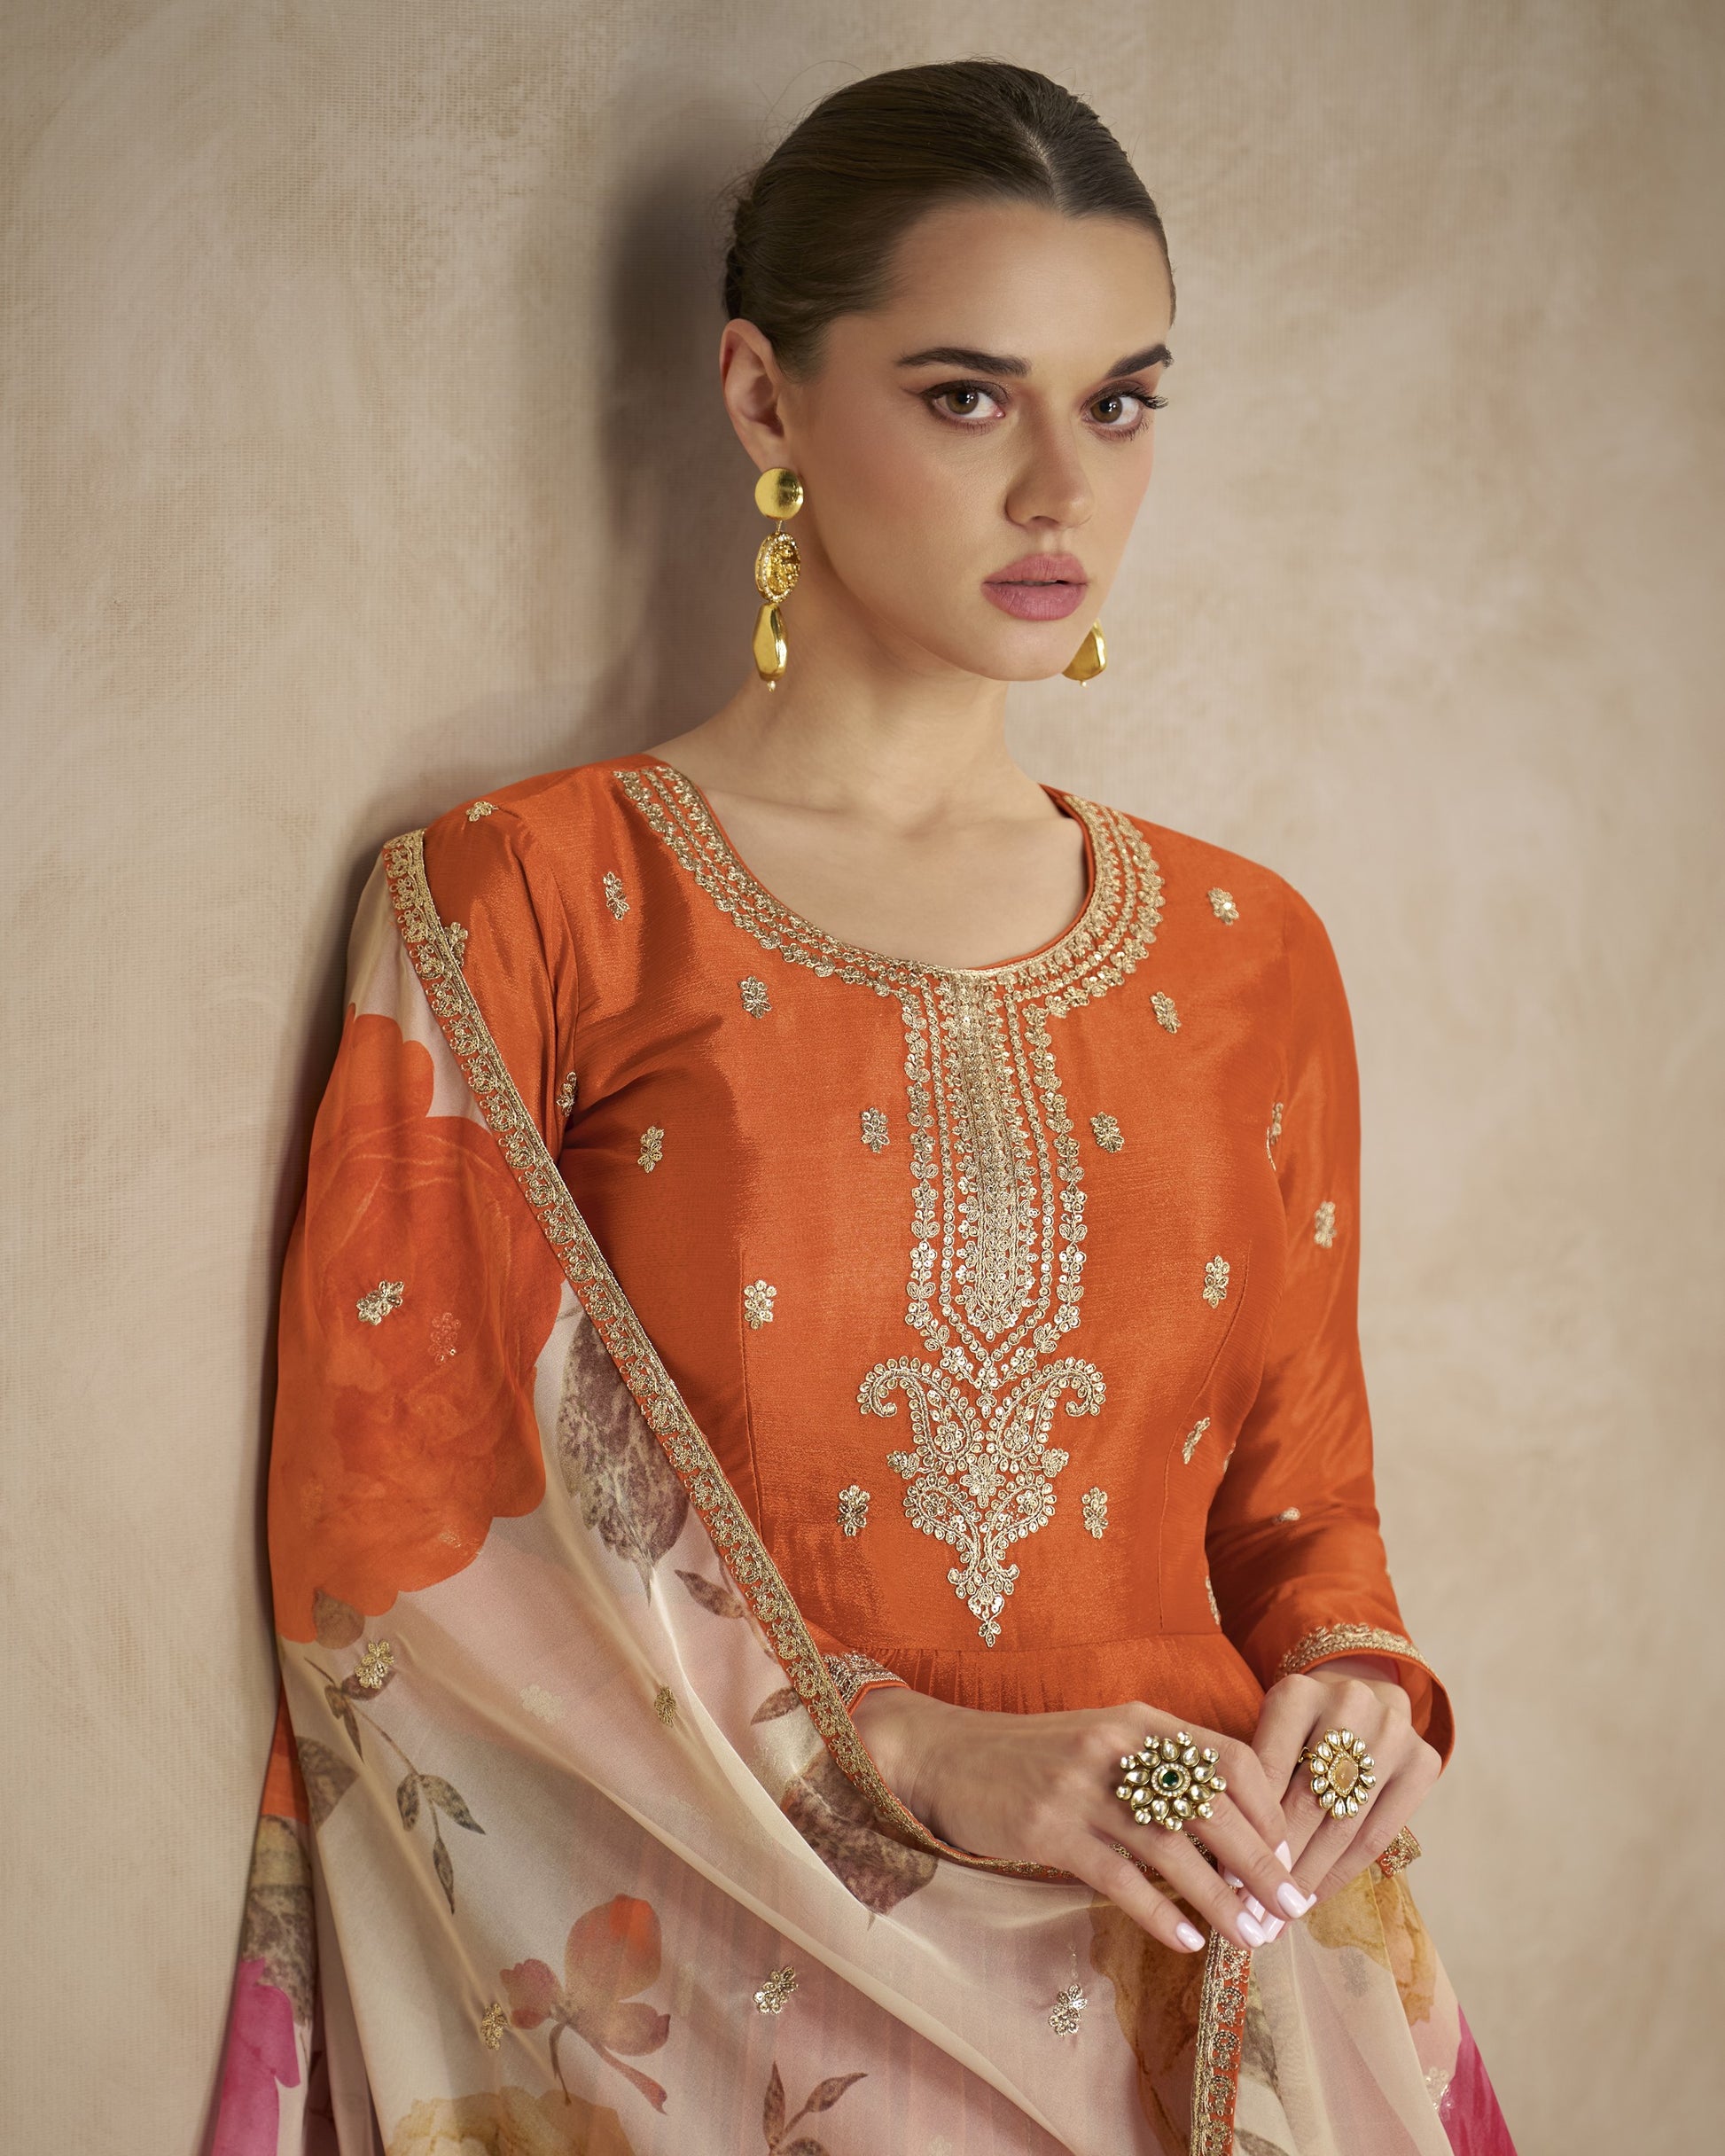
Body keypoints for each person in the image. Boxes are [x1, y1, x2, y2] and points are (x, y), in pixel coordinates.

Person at [212, 59, 1516, 2156]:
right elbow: (402, 1551)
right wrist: (906, 1753)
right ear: (760, 401)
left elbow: (1300, 1524)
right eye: (964, 395)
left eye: (1120, 402)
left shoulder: (1249, 950)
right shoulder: (532, 902)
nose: (1060, 496)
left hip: (1206, 1998)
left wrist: (1362, 1692)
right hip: (741, 2009)